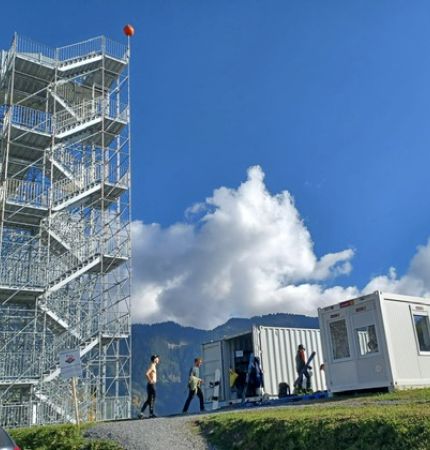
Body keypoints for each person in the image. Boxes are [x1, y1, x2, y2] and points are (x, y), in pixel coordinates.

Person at [138, 354, 160, 419]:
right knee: (152, 399)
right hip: (151, 385)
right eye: (157, 358)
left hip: (150, 385)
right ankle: (150, 413)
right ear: (155, 359)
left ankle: (142, 413)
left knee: (149, 399)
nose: (158, 359)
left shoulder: (153, 366)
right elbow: (147, 373)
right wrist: (150, 380)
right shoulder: (152, 366)